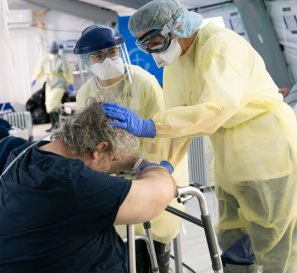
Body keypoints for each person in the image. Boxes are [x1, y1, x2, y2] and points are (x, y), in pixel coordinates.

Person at [103, 0, 297, 272]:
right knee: (233, 233)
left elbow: (216, 108)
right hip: (229, 153)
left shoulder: (220, 45)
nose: (154, 53)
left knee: (276, 238)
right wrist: (164, 165)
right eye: (146, 46)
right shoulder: (176, 63)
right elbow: (180, 118)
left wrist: (149, 126)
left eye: (156, 41)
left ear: (178, 28)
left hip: (267, 146)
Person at [0, 100, 176, 273]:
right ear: (99, 148)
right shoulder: (74, 182)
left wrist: (134, 162)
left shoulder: (24, 154)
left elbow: (94, 161)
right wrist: (156, 170)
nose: (110, 166)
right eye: (112, 158)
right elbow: (156, 197)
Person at [74, 25, 189, 273]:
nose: (106, 60)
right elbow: (85, 141)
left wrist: (156, 169)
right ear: (88, 61)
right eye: (98, 56)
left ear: (121, 50)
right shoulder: (85, 93)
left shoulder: (144, 83)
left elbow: (166, 133)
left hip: (152, 171)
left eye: (112, 51)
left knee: (152, 253)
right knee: (119, 252)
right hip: (111, 177)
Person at [31, 41, 74, 132]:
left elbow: (67, 73)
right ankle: (53, 125)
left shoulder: (61, 60)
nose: (53, 54)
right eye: (52, 52)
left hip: (59, 85)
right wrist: (34, 79)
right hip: (49, 85)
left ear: (57, 51)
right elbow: (39, 70)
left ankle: (58, 126)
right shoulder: (45, 60)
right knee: (48, 106)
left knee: (54, 105)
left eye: (54, 52)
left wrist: (70, 83)